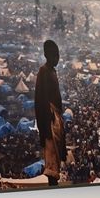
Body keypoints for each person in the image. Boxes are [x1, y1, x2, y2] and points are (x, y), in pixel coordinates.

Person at [34, 39, 66, 185]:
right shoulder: (44, 71)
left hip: (56, 117)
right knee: (51, 156)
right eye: (55, 56)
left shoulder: (52, 71)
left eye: (58, 56)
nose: (57, 59)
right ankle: (52, 185)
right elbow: (40, 101)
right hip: (49, 119)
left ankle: (54, 183)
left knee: (56, 155)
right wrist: (44, 127)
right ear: (48, 56)